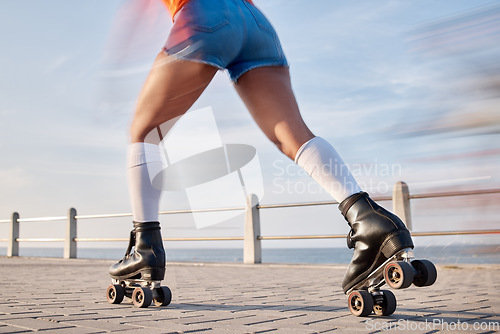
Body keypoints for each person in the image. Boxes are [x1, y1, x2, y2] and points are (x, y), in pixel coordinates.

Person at [109, 0, 414, 297]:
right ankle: (369, 219)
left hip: (204, 14)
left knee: (144, 132)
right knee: (293, 136)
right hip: (255, 23)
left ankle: (145, 247)